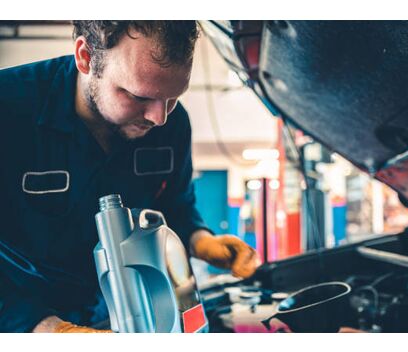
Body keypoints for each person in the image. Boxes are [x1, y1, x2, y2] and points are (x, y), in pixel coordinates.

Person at [0, 20, 259, 333]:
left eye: (173, 98)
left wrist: (201, 240)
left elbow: (174, 203)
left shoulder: (173, 125)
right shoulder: (10, 109)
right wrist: (47, 329)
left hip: (122, 317)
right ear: (85, 57)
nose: (158, 117)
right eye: (138, 96)